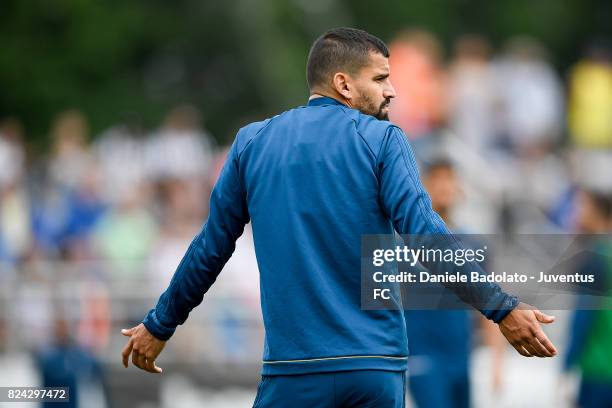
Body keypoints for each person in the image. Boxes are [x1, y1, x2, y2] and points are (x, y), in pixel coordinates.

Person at [121, 27, 557, 407]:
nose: (392, 91)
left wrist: (161, 324)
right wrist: (500, 307)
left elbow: (210, 247)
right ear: (344, 83)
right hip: (373, 369)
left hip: (292, 373)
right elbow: (425, 234)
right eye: (382, 78)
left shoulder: (251, 143)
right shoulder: (383, 139)